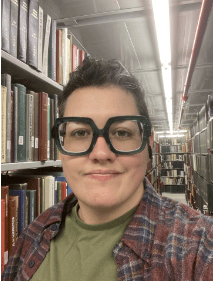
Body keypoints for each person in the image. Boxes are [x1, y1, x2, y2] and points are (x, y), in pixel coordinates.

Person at [2, 57, 213, 281]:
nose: (101, 154)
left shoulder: (198, 246)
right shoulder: (33, 234)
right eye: (81, 133)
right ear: (61, 148)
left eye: (121, 133)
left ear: (147, 144)